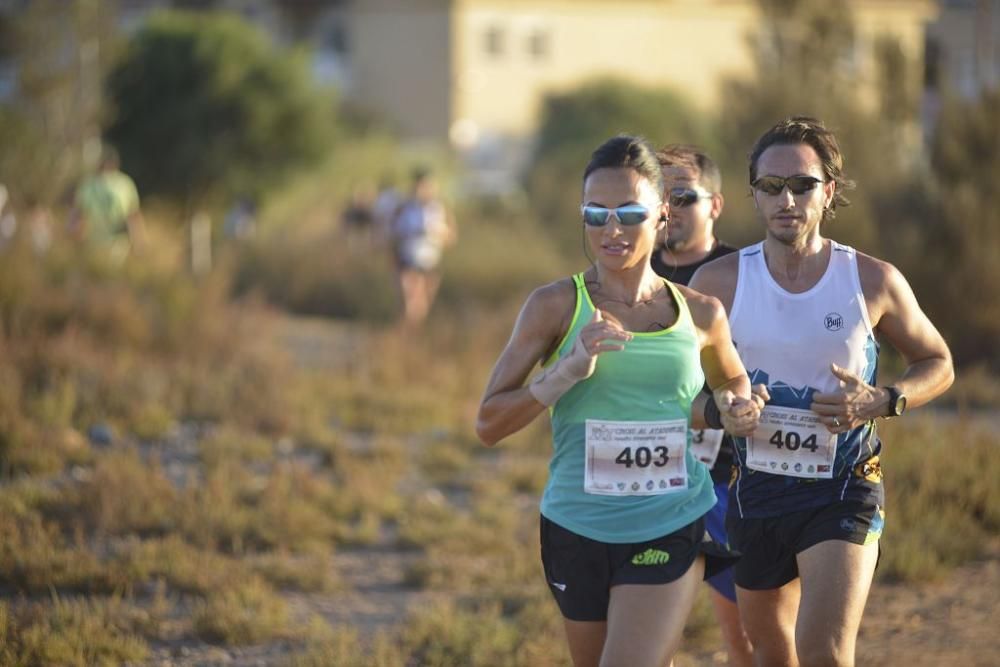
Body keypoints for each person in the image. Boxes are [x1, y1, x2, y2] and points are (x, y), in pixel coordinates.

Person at [476, 135, 763, 667]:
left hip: (670, 518)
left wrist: (740, 409)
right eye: (596, 213)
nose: (612, 229)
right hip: (575, 525)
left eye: (630, 212)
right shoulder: (555, 306)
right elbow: (489, 423)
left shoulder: (701, 313)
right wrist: (564, 373)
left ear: (662, 216)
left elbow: (732, 384)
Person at [689, 116, 954, 667]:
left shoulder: (871, 280)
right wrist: (720, 412)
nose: (787, 199)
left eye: (803, 185)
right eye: (770, 186)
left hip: (845, 488)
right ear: (754, 195)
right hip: (754, 491)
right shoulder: (718, 284)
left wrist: (883, 399)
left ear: (828, 192)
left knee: (826, 653)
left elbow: (939, 362)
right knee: (771, 654)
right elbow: (677, 393)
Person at [652, 144, 752, 667]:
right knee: (649, 639)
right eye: (661, 196)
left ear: (716, 204)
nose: (671, 208)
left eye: (684, 196)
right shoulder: (630, 273)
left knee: (745, 640)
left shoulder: (743, 275)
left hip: (725, 476)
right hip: (644, 473)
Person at [389, 167, 456, 328]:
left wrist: (437, 234)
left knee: (423, 303)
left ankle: (414, 336)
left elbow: (452, 237)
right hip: (408, 258)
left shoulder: (441, 208)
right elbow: (392, 233)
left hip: (431, 260)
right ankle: (409, 334)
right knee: (411, 300)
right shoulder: (404, 207)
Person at [68, 145, 145, 263]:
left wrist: (138, 241)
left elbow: (133, 215)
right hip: (95, 244)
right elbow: (77, 215)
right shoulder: (89, 184)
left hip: (114, 244)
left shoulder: (123, 183)